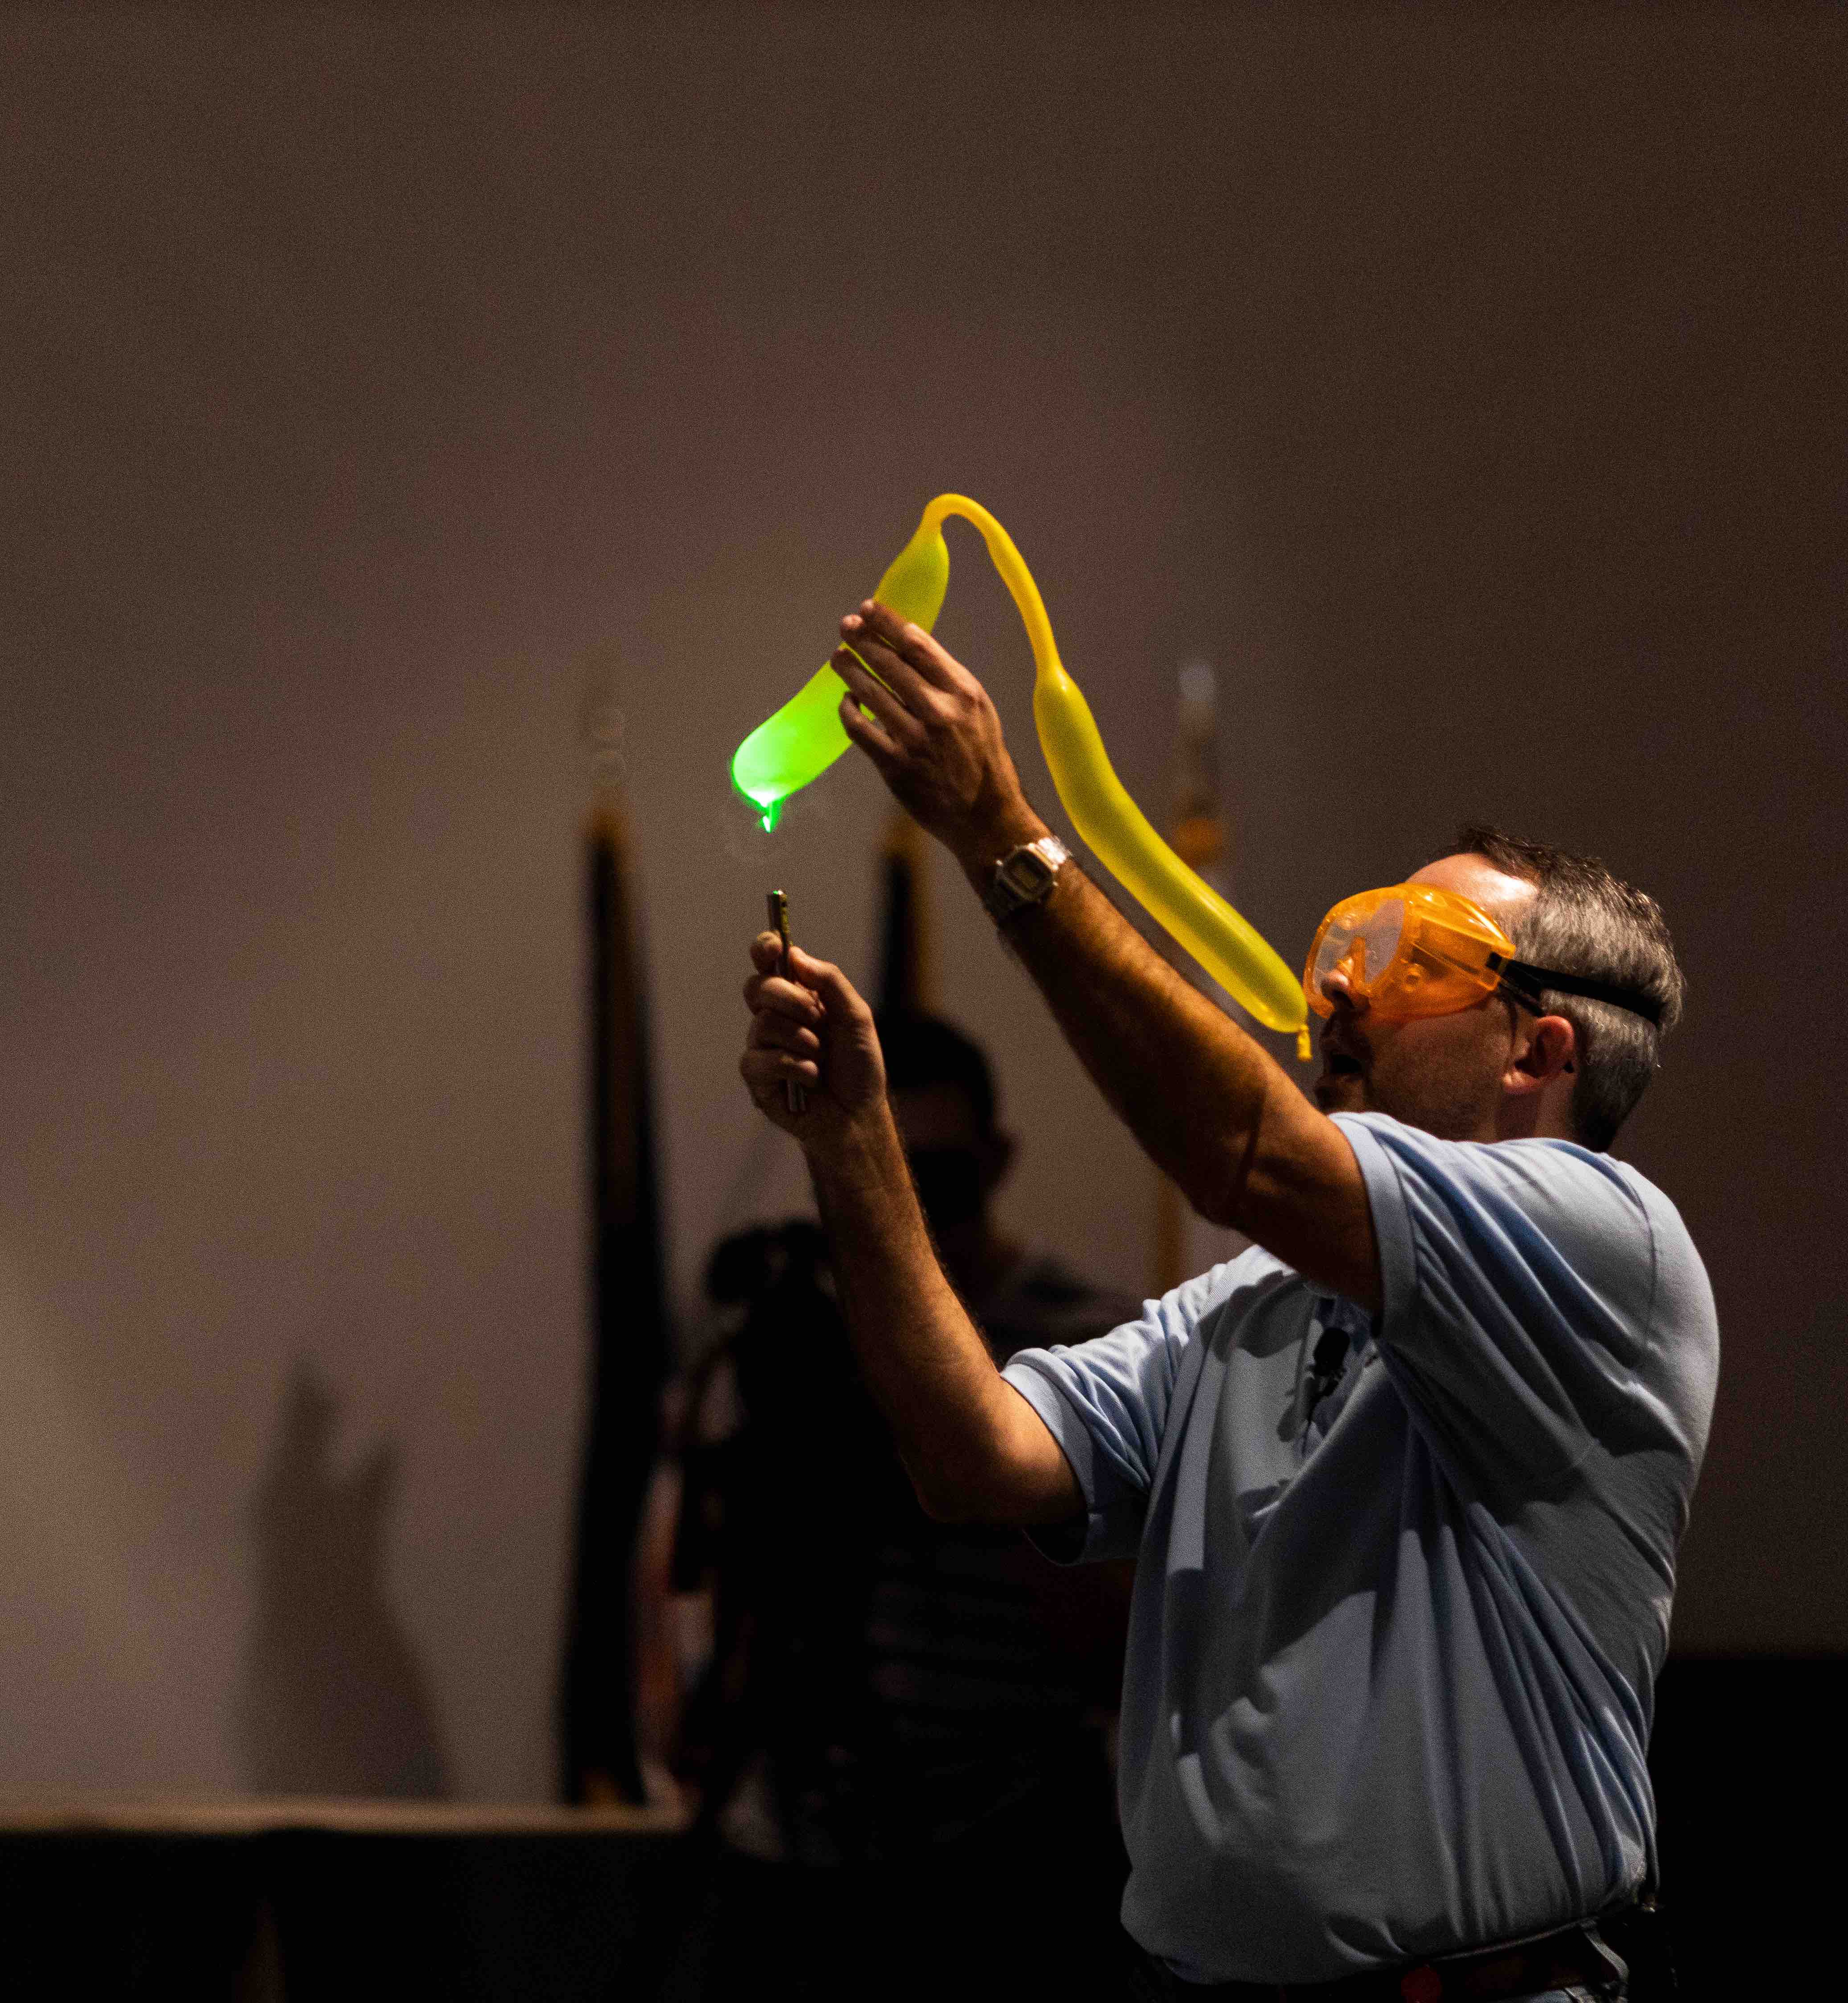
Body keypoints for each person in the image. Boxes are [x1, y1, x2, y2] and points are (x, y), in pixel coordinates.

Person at [735, 598, 1716, 1999]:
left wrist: (1003, 835)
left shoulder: (1604, 1248)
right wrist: (854, 1144)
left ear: (1538, 1048)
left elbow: (1244, 1149)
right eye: (1347, 952)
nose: (1341, 1000)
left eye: (1412, 961)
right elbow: (973, 1459)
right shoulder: (1254, 1302)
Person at [667, 1012, 1140, 1999]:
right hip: (794, 1841)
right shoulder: (797, 1320)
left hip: (1005, 1845)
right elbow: (691, 1558)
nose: (913, 1218)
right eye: (886, 1180)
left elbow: (1114, 1640)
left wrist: (959, 1418)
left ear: (999, 1161)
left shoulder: (1087, 1337)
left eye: (943, 1185)